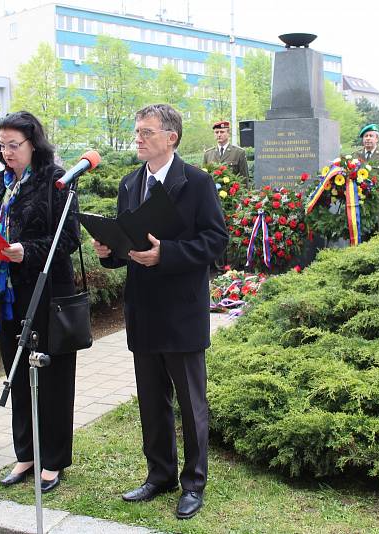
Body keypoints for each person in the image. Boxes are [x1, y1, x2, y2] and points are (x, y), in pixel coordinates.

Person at [92, 104, 228, 520]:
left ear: (171, 137)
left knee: (191, 404)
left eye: (146, 132)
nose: (138, 138)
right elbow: (126, 243)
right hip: (143, 310)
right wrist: (108, 251)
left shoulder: (198, 183)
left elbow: (216, 242)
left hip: (182, 311)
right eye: (137, 132)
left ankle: (193, 483)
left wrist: (165, 254)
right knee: (152, 402)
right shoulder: (130, 183)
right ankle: (160, 475)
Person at [0, 111, 80, 493]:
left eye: (14, 145)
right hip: (6, 295)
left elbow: (68, 240)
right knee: (16, 374)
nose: (6, 152)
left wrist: (24, 250)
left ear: (33, 143)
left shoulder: (55, 180)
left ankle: (54, 460)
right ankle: (25, 454)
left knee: (51, 377)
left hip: (44, 293)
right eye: (1, 145)